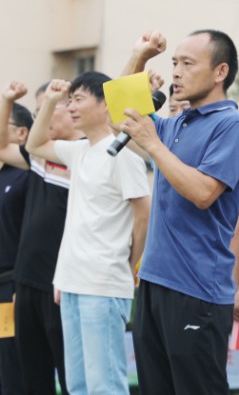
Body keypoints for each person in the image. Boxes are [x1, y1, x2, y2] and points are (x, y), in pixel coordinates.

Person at [120, 30, 239, 394]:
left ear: (220, 71)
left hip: (196, 289)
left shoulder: (232, 125)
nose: (176, 72)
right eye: (174, 63)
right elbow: (122, 114)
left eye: (187, 64)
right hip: (153, 282)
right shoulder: (176, 122)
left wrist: (152, 145)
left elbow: (203, 192)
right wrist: (140, 57)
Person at [25, 72, 151, 395]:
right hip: (71, 283)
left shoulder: (122, 154)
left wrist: (129, 264)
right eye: (69, 101)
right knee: (77, 385)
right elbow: (34, 144)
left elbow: (144, 214)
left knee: (105, 385)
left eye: (78, 99)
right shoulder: (79, 151)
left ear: (104, 104)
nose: (71, 108)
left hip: (103, 283)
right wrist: (51, 100)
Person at [0, 81, 81, 395]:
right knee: (32, 379)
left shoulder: (89, 154)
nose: (41, 116)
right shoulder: (38, 157)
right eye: (37, 110)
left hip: (64, 285)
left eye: (50, 105)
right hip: (28, 284)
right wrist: (7, 100)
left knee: (73, 377)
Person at [0, 89, 32, 395]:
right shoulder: (3, 174)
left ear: (22, 133)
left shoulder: (29, 173)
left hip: (12, 287)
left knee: (11, 366)